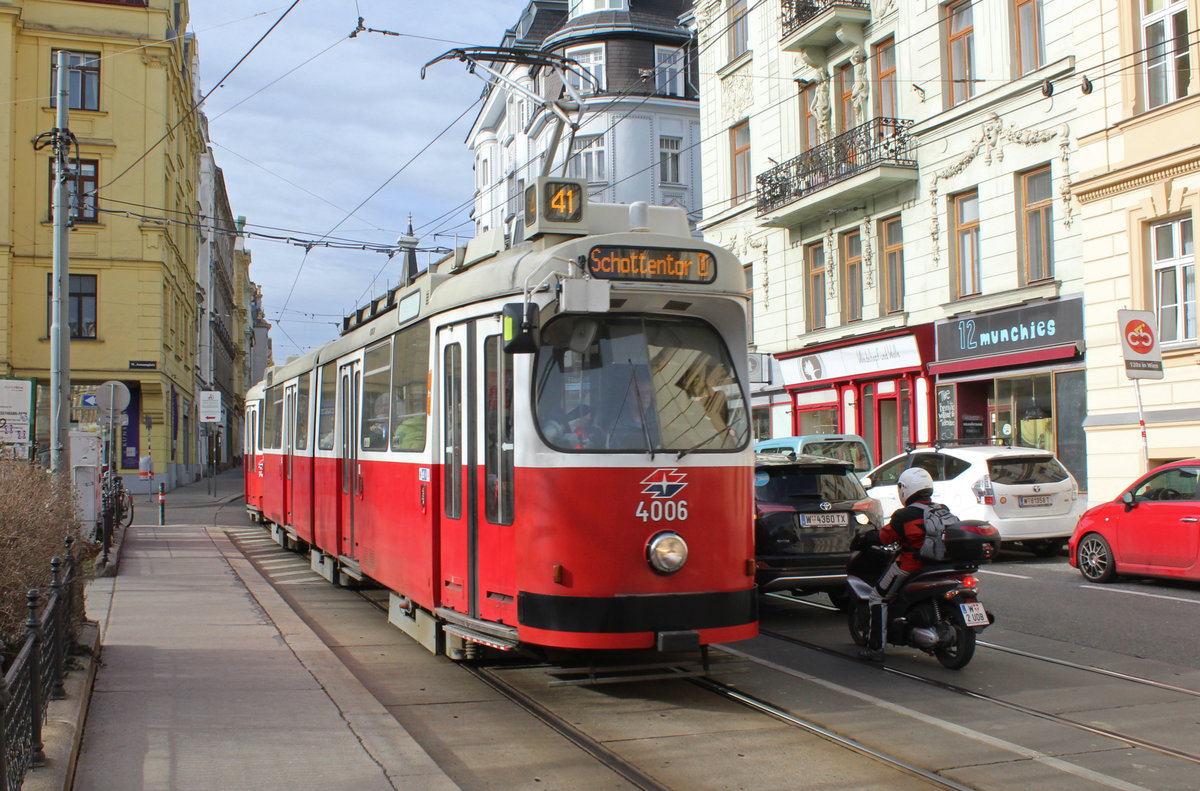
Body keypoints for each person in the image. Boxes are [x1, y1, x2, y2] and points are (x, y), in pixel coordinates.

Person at [860, 467, 936, 662]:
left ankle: (875, 648)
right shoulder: (941, 509)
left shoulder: (905, 515)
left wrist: (867, 538)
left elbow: (885, 538)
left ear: (906, 489)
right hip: (937, 566)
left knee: (877, 598)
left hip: (911, 566)